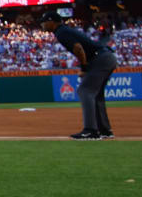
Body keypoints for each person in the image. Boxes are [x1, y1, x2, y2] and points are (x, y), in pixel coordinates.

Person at [37, 8, 117, 139]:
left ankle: (90, 130)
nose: (42, 24)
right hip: (106, 57)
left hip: (100, 58)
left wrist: (84, 67)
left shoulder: (61, 32)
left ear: (52, 22)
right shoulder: (64, 30)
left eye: (44, 21)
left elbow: (78, 48)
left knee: (85, 91)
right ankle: (104, 130)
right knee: (96, 95)